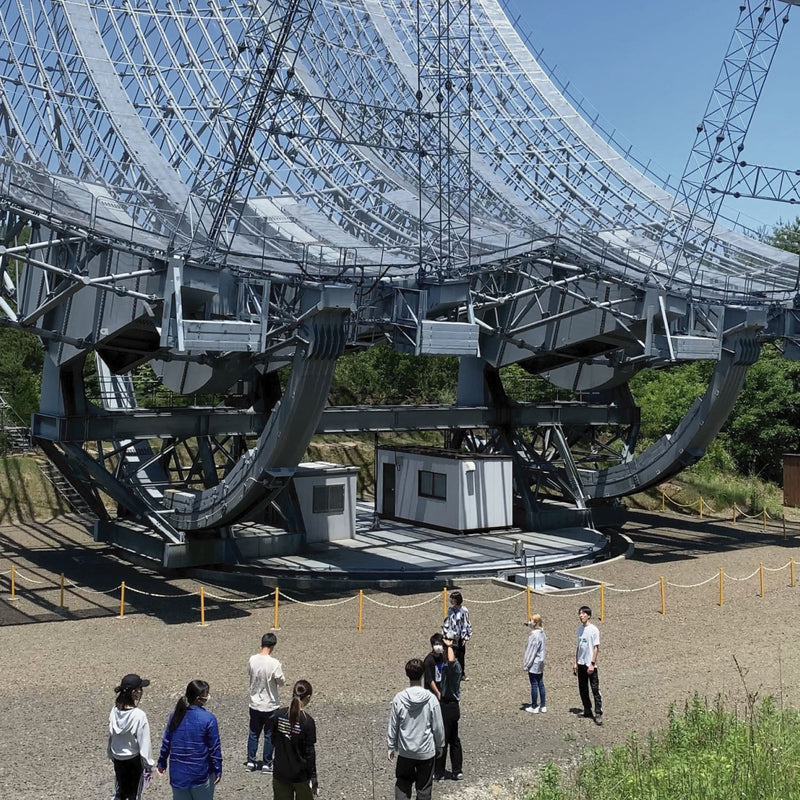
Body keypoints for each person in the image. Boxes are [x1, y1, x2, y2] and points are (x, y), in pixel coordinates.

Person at [387, 658, 445, 800]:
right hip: (425, 751)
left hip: (406, 751)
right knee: (424, 788)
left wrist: (391, 746)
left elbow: (393, 724)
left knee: (403, 782)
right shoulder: (431, 699)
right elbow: (438, 726)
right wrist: (440, 745)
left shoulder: (399, 698)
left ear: (407, 674)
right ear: (423, 674)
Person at [157, 679, 222, 799]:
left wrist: (162, 762)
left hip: (178, 775)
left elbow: (167, 742)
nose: (208, 697)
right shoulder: (208, 718)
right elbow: (214, 747)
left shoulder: (175, 716)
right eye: (206, 694)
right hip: (200, 774)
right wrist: (218, 769)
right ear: (198, 698)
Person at [107, 673, 154, 800]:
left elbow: (111, 735)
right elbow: (144, 742)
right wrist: (148, 765)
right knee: (134, 794)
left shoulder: (114, 711)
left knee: (120, 792)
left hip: (118, 758)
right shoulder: (139, 715)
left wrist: (111, 754)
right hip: (133, 760)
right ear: (134, 692)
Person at [271, 680, 318, 800]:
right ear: (308, 697)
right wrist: (313, 776)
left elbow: (273, 740)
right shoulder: (308, 722)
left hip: (280, 772)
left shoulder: (279, 715)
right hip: (300, 775)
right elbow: (310, 753)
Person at [247, 632, 286, 773]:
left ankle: (251, 761)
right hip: (270, 704)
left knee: (253, 733)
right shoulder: (274, 663)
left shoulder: (252, 660)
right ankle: (266, 763)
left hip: (255, 702)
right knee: (269, 735)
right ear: (272, 646)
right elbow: (281, 681)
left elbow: (250, 674)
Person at [434, 637, 463, 782]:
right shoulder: (445, 664)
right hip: (448, 705)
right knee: (452, 738)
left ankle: (440, 771)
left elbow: (451, 660)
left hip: (449, 705)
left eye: (444, 649)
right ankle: (456, 770)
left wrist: (449, 645)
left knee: (445, 739)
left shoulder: (455, 666)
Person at [573, 605, 602, 725]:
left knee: (595, 689)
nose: (581, 615)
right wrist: (575, 662)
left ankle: (598, 712)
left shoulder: (594, 630)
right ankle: (587, 709)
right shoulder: (579, 630)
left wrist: (592, 663)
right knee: (583, 688)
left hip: (590, 665)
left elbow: (596, 648)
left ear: (588, 616)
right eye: (580, 613)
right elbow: (579, 647)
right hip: (581, 663)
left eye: (583, 613)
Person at [441, 590, 471, 680]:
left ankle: (461, 674)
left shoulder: (464, 610)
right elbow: (448, 621)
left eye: (453, 599)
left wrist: (466, 637)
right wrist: (445, 632)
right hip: (451, 636)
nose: (451, 601)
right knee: (451, 655)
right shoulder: (450, 610)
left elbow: (466, 623)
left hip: (460, 637)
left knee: (461, 656)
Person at [523, 614, 547, 714]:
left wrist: (526, 664)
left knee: (534, 684)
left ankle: (534, 706)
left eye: (531, 621)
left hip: (534, 662)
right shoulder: (542, 633)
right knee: (540, 683)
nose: (530, 622)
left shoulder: (534, 635)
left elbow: (531, 651)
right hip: (541, 662)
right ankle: (543, 705)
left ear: (535, 623)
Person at [423, 633, 446, 701]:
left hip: (441, 688)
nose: (438, 646)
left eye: (440, 644)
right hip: (431, 692)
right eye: (436, 644)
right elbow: (429, 680)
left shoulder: (442, 657)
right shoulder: (428, 661)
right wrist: (437, 692)